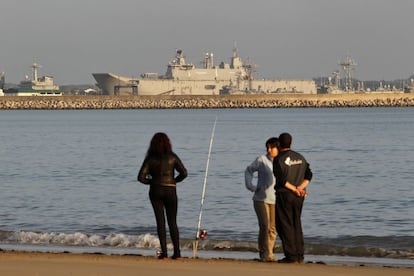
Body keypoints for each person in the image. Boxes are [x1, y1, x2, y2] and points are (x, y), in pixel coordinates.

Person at [137, 132, 188, 260]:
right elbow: (184, 173)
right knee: (173, 222)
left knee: (160, 222)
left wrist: (152, 181)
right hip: (171, 190)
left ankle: (164, 253)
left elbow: (140, 178)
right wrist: (174, 181)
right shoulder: (172, 156)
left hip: (155, 191)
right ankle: (177, 253)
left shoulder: (150, 158)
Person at [273, 132, 312, 264]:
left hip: (285, 194)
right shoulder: (300, 157)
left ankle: (291, 256)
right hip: (299, 196)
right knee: (296, 223)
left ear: (278, 144)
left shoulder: (278, 159)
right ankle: (299, 255)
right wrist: (301, 188)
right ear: (291, 143)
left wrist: (295, 189)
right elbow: (309, 175)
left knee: (284, 224)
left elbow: (282, 180)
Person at [245, 137, 279, 262]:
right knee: (264, 226)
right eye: (268, 148)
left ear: (278, 148)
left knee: (273, 228)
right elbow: (248, 170)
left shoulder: (281, 161)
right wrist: (251, 186)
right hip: (260, 199)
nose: (269, 150)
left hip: (276, 200)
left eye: (272, 147)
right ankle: (264, 252)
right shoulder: (262, 160)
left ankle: (270, 252)